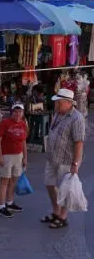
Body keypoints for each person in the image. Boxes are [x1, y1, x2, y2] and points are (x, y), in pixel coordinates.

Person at [43, 87, 86, 229]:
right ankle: (55, 211)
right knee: (49, 184)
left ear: (69, 103)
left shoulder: (77, 118)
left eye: (59, 103)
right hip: (52, 157)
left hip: (66, 160)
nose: (56, 105)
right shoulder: (58, 114)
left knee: (65, 189)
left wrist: (75, 163)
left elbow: (79, 142)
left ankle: (62, 216)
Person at [0, 102, 28, 218]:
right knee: (4, 181)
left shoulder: (23, 124)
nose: (17, 114)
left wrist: (25, 157)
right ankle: (1, 206)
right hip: (7, 156)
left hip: (18, 155)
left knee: (14, 180)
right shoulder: (5, 123)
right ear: (12, 112)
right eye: (15, 111)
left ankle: (10, 202)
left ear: (22, 113)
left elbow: (24, 142)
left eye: (20, 111)